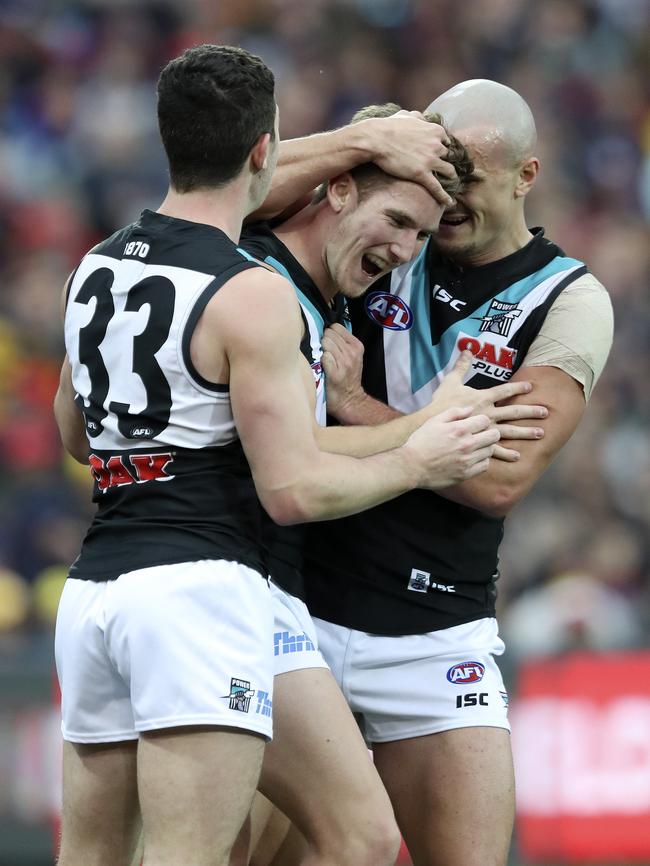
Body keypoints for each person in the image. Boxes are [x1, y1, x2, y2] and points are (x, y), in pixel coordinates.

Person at [53, 47, 504, 866]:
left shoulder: (96, 265)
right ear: (268, 152)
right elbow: (292, 488)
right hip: (201, 588)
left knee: (92, 853)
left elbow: (78, 437)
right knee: (201, 852)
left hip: (93, 593)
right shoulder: (252, 290)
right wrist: (421, 451)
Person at [250, 83, 614, 866]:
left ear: (526, 175)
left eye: (470, 180)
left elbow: (496, 481)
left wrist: (351, 402)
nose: (443, 205)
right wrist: (360, 148)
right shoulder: (384, 225)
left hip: (434, 628)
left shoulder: (566, 299)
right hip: (300, 608)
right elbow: (229, 196)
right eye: (437, 174)